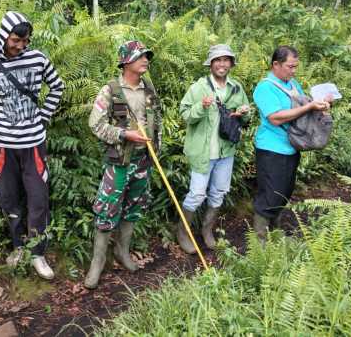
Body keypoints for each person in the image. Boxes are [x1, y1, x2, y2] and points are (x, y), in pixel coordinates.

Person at [0, 11, 64, 280]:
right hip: (1, 146)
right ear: (3, 37)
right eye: (16, 40)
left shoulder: (38, 59)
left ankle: (38, 253)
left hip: (33, 143)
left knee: (38, 198)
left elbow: (57, 86)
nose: (21, 46)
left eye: (25, 41)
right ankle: (19, 247)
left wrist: (44, 116)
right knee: (9, 198)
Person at [84, 41, 162, 289]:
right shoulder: (111, 90)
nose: (146, 60)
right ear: (126, 62)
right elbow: (95, 124)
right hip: (120, 162)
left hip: (144, 160)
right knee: (107, 210)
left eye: (147, 56)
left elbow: (156, 117)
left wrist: (156, 148)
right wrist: (124, 135)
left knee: (134, 207)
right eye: (140, 56)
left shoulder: (148, 88)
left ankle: (122, 252)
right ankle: (97, 262)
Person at [176, 44, 251, 253]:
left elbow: (246, 118)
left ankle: (207, 230)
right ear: (211, 63)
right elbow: (185, 115)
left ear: (231, 64)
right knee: (197, 194)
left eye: (226, 60)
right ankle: (183, 232)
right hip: (202, 152)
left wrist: (243, 113)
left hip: (226, 152)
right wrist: (202, 106)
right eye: (218, 60)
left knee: (218, 193)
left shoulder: (236, 88)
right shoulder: (199, 88)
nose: (222, 64)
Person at [252, 45, 331, 241]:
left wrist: (320, 103)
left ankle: (275, 233)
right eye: (290, 66)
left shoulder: (292, 83)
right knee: (270, 194)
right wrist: (310, 106)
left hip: (290, 148)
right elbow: (276, 118)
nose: (294, 71)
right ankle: (259, 242)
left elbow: (305, 107)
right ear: (276, 64)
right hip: (271, 149)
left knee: (284, 192)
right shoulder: (265, 87)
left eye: (296, 66)